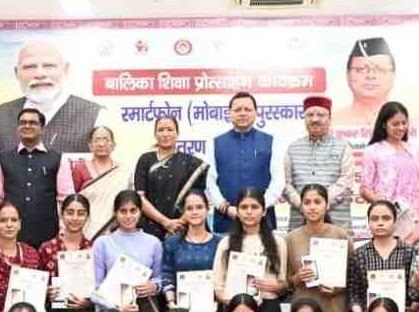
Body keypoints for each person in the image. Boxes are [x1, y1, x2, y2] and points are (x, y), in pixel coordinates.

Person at [0, 38, 106, 155]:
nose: (40, 74)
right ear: (16, 73)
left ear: (65, 69)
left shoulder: (95, 114)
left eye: (49, 65)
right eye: (29, 67)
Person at [212, 187, 289, 312]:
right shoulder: (226, 243)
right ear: (237, 212)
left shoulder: (278, 243)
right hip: (236, 311)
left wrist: (276, 287)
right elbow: (217, 287)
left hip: (268, 310)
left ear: (264, 211)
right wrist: (234, 302)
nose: (249, 212)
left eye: (254, 207)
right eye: (244, 207)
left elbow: (284, 284)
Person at [93, 190, 163, 312]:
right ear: (115, 213)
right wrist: (117, 308)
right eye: (123, 211)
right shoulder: (103, 243)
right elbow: (95, 287)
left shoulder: (153, 242)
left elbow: (160, 278)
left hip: (145, 310)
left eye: (133, 210)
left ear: (140, 212)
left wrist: (154, 286)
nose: (128, 216)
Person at [285, 184, 353, 312]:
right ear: (301, 206)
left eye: (317, 201)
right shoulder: (290, 239)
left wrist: (337, 288)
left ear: (327, 205)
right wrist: (297, 278)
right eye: (307, 202)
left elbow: (354, 276)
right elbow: (284, 282)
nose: (312, 207)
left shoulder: (341, 235)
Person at [206, 92, 283, 233]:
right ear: (229, 113)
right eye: (237, 110)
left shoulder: (271, 141)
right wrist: (225, 207)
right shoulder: (215, 143)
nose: (242, 113)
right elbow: (209, 181)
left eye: (247, 109)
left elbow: (278, 181)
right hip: (226, 219)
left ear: (256, 112)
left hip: (263, 221)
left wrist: (258, 208)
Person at [0, 108, 61, 249]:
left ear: (42, 129)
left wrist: (60, 237)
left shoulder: (57, 158)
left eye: (32, 122)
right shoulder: (2, 158)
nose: (27, 126)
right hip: (9, 242)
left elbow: (64, 200)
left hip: (48, 241)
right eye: (23, 122)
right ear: (17, 128)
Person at [161, 189, 224, 312]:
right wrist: (171, 304)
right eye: (189, 208)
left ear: (208, 209)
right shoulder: (172, 243)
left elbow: (224, 277)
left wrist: (217, 303)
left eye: (199, 207)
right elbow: (167, 274)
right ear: (184, 212)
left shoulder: (220, 243)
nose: (194, 212)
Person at [348, 200, 419, 312]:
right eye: (375, 219)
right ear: (368, 222)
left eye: (386, 218)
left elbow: (417, 290)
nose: (380, 223)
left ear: (395, 221)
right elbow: (353, 291)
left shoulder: (410, 252)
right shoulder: (359, 254)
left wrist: (410, 311)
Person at [38, 194, 95, 312]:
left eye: (80, 213)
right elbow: (36, 286)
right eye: (70, 212)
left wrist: (89, 300)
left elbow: (101, 286)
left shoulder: (93, 249)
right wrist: (46, 292)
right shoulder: (47, 248)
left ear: (87, 216)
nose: (75, 218)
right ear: (62, 215)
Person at [360, 101, 419, 243]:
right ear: (384, 124)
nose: (401, 127)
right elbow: (365, 190)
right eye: (395, 124)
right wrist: (387, 209)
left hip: (418, 217)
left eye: (404, 123)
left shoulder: (415, 149)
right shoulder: (373, 151)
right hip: (392, 219)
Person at [282, 96, 353, 230]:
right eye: (310, 115)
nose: (315, 119)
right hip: (300, 223)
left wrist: (321, 203)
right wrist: (303, 205)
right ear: (304, 119)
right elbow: (285, 183)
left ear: (330, 119)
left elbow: (346, 181)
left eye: (320, 115)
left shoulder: (343, 147)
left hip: (336, 222)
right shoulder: (293, 148)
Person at [135, 116, 209, 240]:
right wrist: (165, 222)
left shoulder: (192, 164)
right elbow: (140, 198)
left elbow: (196, 200)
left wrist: (178, 224)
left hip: (183, 228)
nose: (165, 134)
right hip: (150, 229)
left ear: (177, 133)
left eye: (170, 129)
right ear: (155, 134)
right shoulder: (145, 160)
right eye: (161, 130)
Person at [62, 125, 131, 239]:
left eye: (106, 139)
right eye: (97, 140)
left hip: (114, 228)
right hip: (86, 230)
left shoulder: (122, 171)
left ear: (113, 145)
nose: (101, 144)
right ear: (90, 145)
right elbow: (74, 199)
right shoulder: (80, 169)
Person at [335, 37, 398, 128]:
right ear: (348, 75)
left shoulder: (413, 121)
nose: (371, 76)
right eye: (361, 70)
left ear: (393, 76)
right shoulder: (332, 122)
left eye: (380, 70)